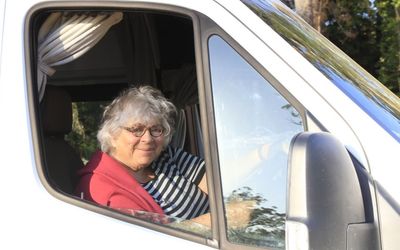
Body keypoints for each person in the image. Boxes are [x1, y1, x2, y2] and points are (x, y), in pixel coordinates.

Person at [75, 85, 209, 223]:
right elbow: (155, 239)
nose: (148, 139)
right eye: (137, 129)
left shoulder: (167, 156)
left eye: (156, 129)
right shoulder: (100, 189)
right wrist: (221, 219)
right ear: (112, 136)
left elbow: (220, 186)